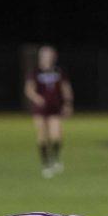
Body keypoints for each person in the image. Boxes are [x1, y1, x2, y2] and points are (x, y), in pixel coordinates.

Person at [24, 46, 73, 177]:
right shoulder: (35, 72)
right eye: (46, 55)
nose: (48, 57)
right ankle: (46, 164)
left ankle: (55, 158)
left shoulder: (58, 71)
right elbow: (29, 89)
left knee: (56, 136)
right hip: (40, 109)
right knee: (42, 135)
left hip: (55, 107)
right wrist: (37, 98)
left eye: (50, 55)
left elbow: (65, 88)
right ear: (41, 57)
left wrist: (67, 104)